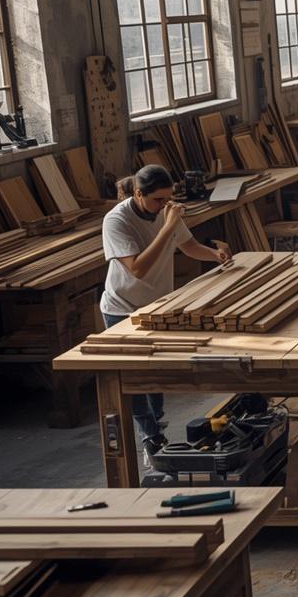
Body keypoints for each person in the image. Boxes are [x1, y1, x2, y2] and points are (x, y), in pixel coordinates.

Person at [100, 165, 231, 461]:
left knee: (154, 374)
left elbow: (188, 246)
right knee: (132, 379)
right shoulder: (116, 221)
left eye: (168, 198)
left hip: (157, 306)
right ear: (138, 194)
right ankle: (150, 437)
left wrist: (214, 256)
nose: (165, 205)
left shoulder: (165, 212)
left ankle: (155, 426)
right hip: (122, 309)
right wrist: (168, 225)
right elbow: (137, 268)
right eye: (158, 200)